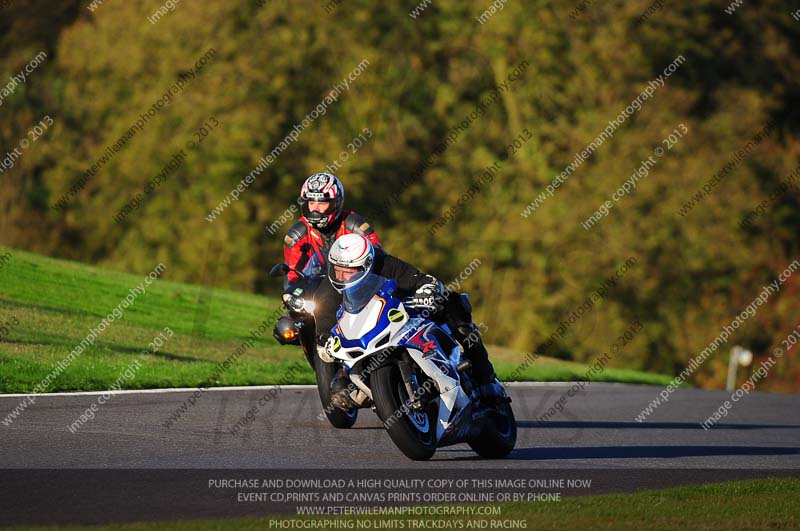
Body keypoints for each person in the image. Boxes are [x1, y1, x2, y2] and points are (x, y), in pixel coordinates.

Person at [318, 233, 502, 406]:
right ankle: (379, 393)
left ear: (366, 265)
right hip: (364, 335)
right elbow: (324, 318)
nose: (341, 277)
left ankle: (485, 375)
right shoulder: (331, 284)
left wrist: (427, 291)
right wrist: (324, 339)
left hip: (401, 318)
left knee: (453, 305)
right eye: (337, 270)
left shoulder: (386, 264)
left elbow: (421, 280)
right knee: (340, 391)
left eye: (348, 272)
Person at [277, 172, 381, 344]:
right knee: (285, 328)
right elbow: (292, 274)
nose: (316, 209)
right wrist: (292, 295)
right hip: (315, 293)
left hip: (353, 289)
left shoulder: (356, 225)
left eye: (322, 202)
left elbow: (377, 258)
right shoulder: (297, 233)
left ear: (335, 203)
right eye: (311, 202)